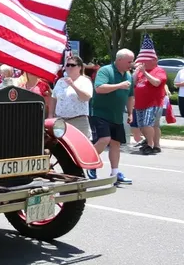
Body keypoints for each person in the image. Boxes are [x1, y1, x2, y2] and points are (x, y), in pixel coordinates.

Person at [88, 48, 135, 184]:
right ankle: (89, 164)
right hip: (100, 113)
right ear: (119, 60)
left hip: (117, 116)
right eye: (129, 61)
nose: (131, 64)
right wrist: (119, 85)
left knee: (116, 143)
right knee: (105, 139)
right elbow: (99, 88)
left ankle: (115, 174)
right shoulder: (105, 70)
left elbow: (130, 96)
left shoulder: (128, 75)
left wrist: (130, 112)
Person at [132, 39, 167, 155]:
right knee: (146, 126)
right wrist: (136, 73)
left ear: (154, 60)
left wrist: (146, 73)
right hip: (140, 103)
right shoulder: (141, 71)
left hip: (153, 103)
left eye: (146, 60)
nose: (144, 62)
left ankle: (150, 145)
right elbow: (133, 84)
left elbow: (156, 82)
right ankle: (156, 145)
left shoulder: (159, 70)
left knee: (148, 124)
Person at [50, 56, 94, 139]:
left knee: (80, 147)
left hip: (78, 120)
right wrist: (50, 115)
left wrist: (73, 85)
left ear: (80, 67)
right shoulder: (60, 81)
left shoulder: (85, 81)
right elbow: (54, 97)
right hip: (61, 121)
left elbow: (86, 97)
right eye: (67, 65)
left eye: (72, 65)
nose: (69, 67)